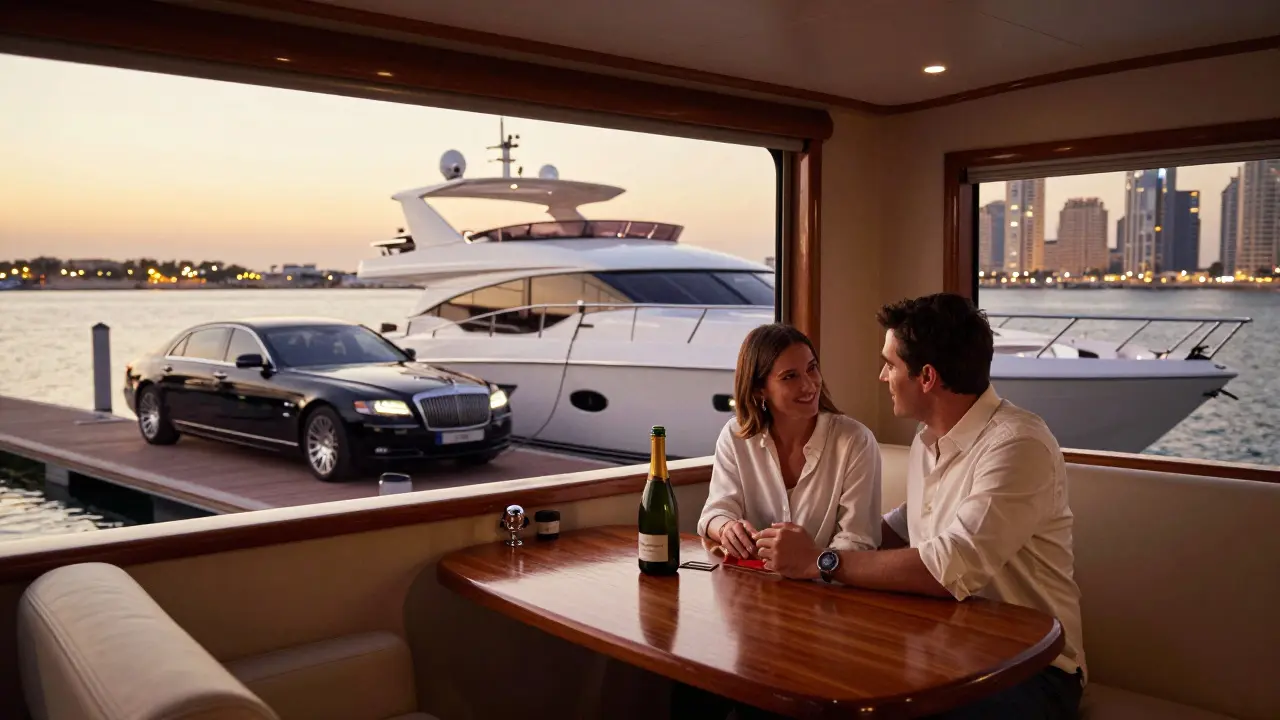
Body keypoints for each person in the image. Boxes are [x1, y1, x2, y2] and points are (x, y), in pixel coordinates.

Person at [756, 293, 1086, 719]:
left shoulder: (1018, 446)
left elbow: (949, 566)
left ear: (926, 377)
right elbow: (913, 520)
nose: (882, 376)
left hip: (1032, 671)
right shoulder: (929, 437)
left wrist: (822, 561)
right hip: (944, 652)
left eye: (890, 365)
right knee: (783, 685)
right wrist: (823, 541)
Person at [675, 323, 881, 720]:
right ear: (758, 391)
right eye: (790, 376)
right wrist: (726, 528)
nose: (809, 384)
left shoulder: (854, 442)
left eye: (812, 369)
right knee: (690, 676)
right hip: (754, 612)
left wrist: (810, 558)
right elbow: (713, 513)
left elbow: (860, 544)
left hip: (828, 618)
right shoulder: (736, 437)